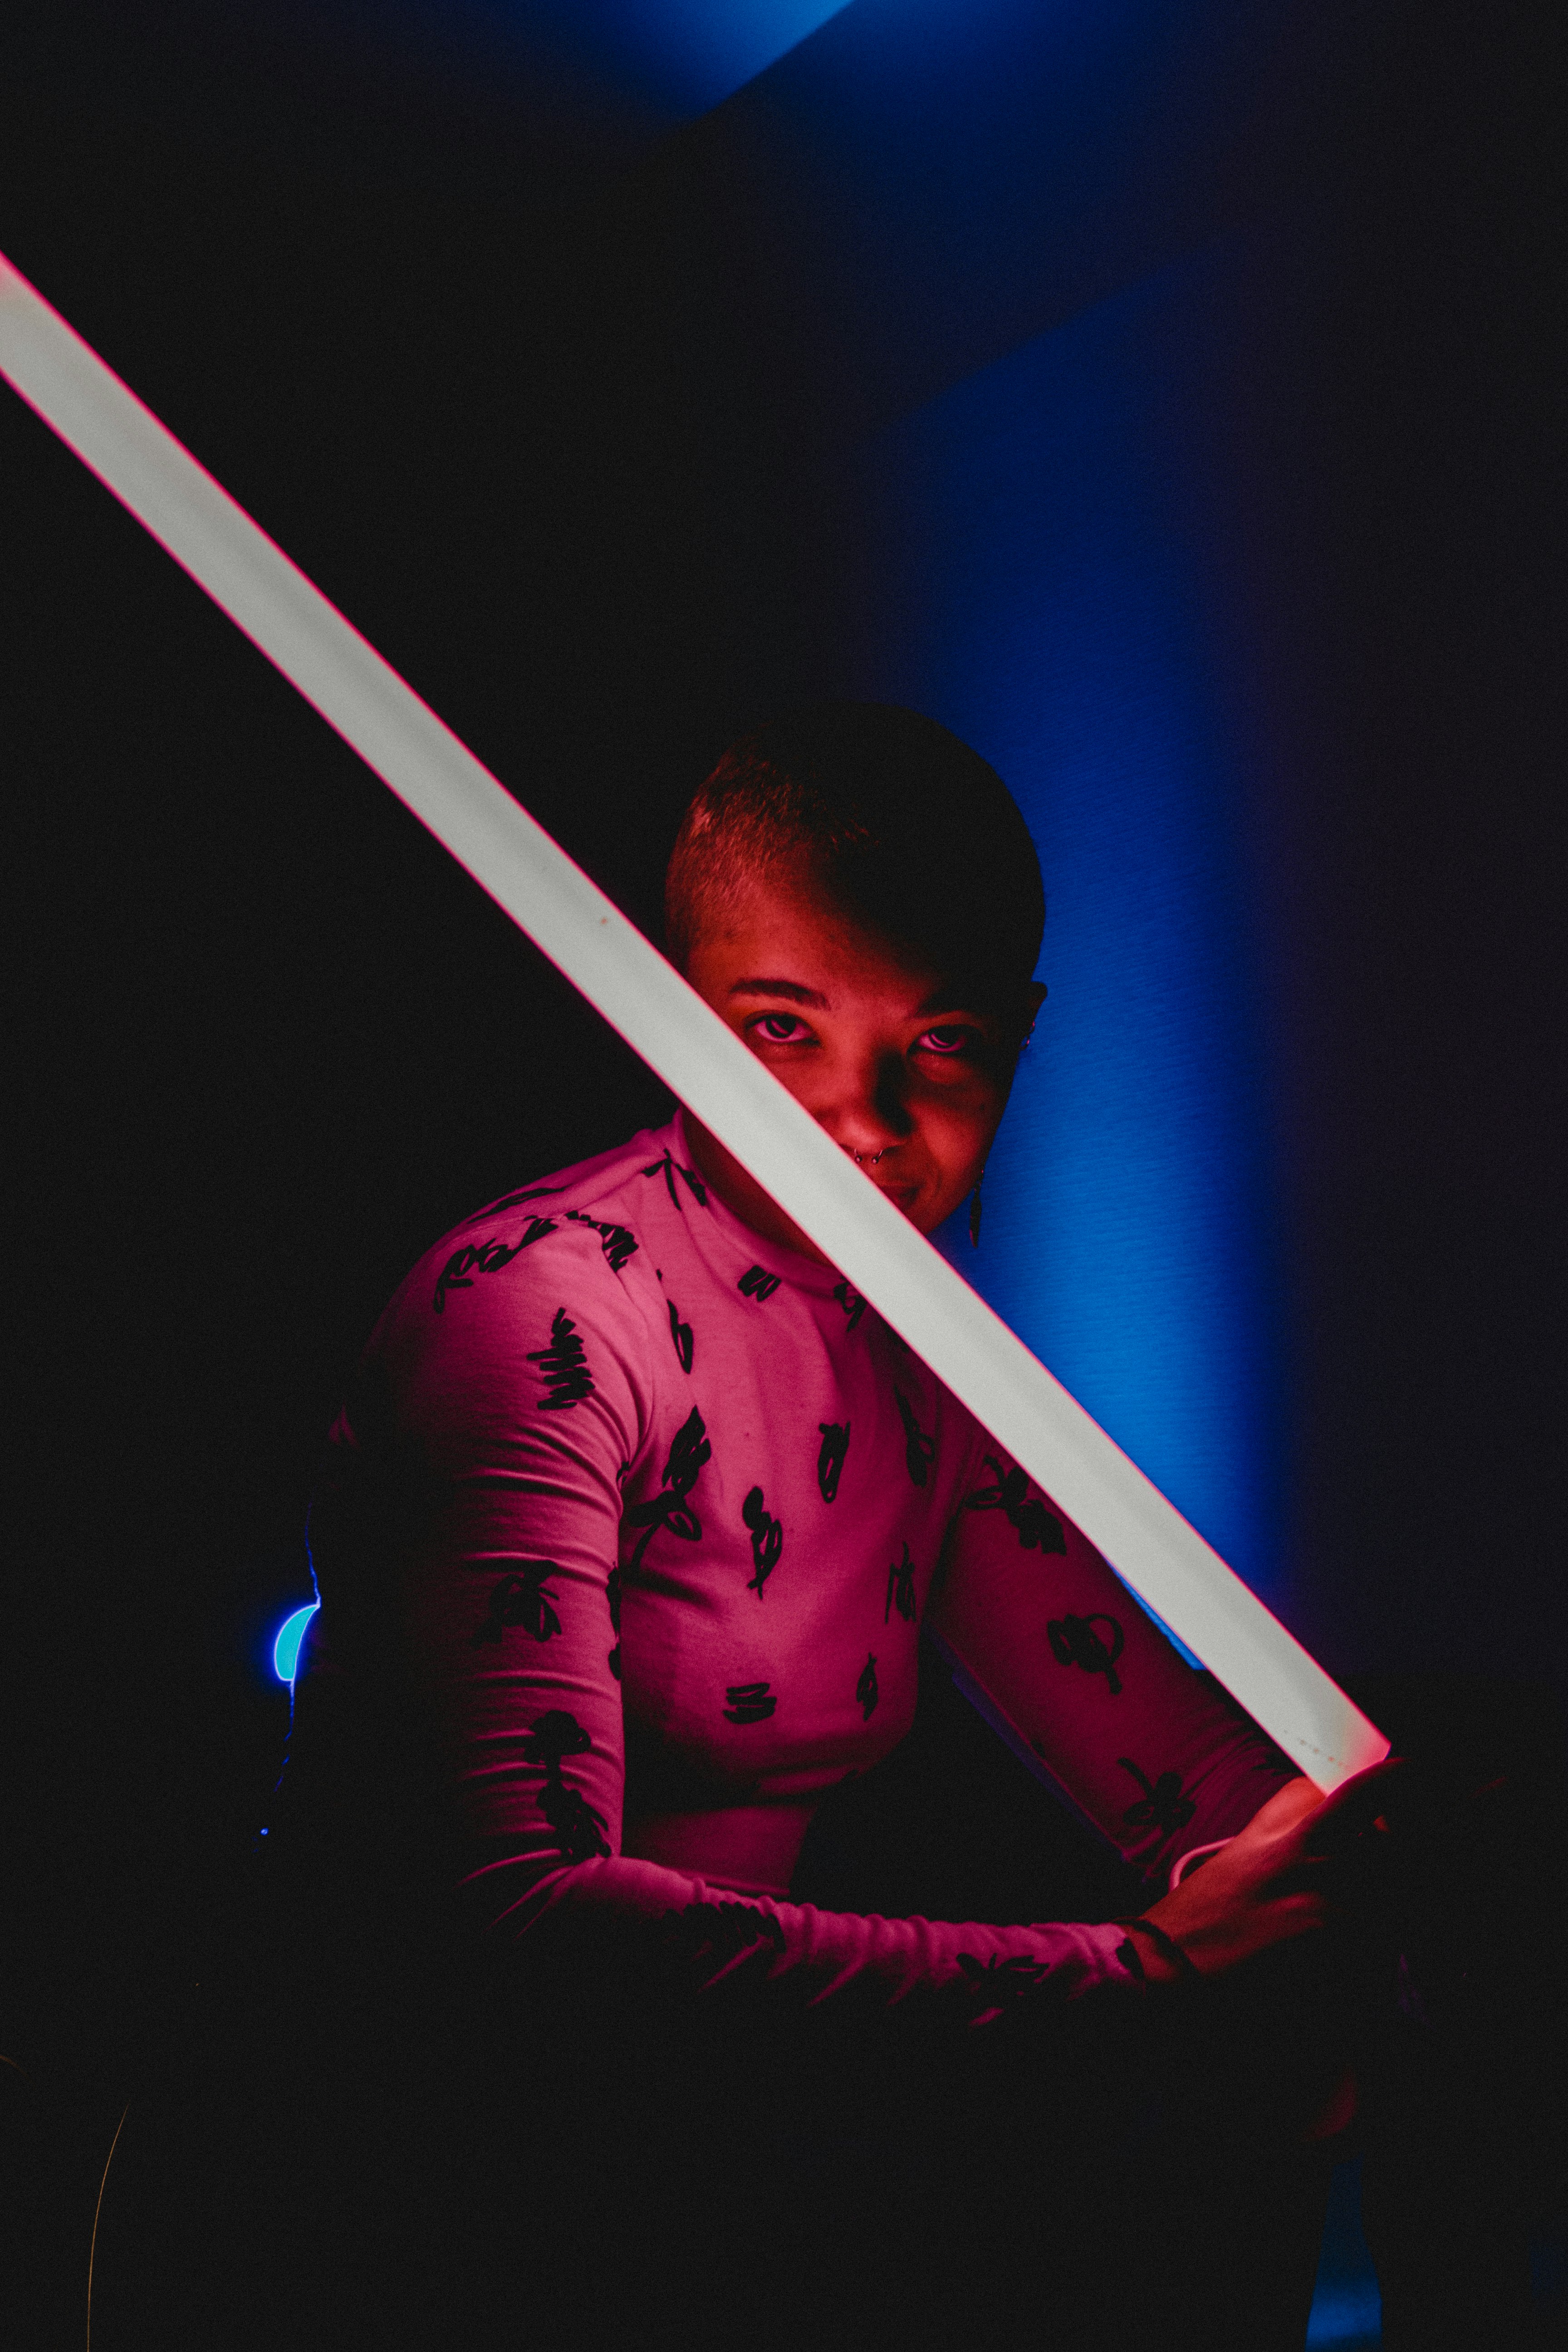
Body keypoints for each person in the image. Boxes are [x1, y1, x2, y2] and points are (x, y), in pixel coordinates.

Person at [250, 704, 1407, 2350]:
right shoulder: (531, 1322)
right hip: (418, 2195)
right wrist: (1141, 1979)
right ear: (671, 1013)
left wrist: (1340, 1919)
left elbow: (1200, 1785)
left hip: (722, 2175)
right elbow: (514, 1929)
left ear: (1020, 1035)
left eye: (935, 1043)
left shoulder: (916, 1350)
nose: (864, 1125)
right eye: (781, 1030)